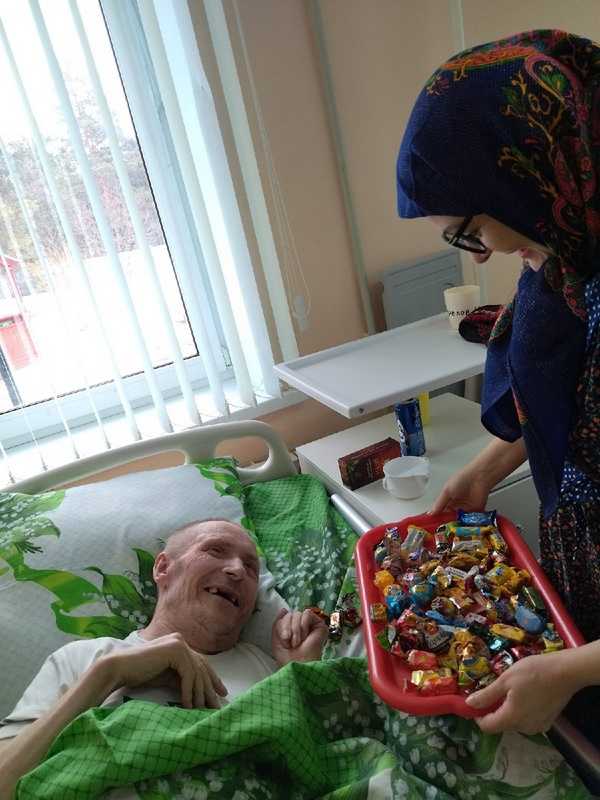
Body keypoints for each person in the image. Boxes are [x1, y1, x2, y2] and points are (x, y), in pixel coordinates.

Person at [396, 29, 600, 738]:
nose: (482, 256)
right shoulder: (568, 251)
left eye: (471, 231)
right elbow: (565, 402)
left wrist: (573, 672)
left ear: (524, 175)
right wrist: (483, 470)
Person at [0, 518, 328, 798]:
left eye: (252, 568)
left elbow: (316, 769)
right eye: (215, 550)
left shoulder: (269, 669)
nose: (238, 570)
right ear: (162, 567)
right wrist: (110, 674)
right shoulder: (87, 658)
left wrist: (300, 673)